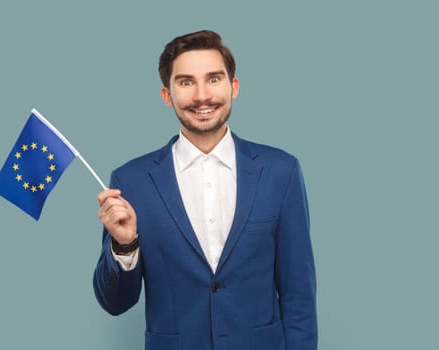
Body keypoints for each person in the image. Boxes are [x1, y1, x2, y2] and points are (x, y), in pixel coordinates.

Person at [93, 30, 317, 350]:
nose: (201, 96)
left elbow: (300, 297)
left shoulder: (281, 172)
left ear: (233, 87)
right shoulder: (132, 181)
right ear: (167, 95)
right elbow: (114, 303)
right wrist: (125, 245)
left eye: (213, 79)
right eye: (185, 82)